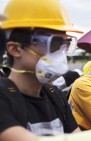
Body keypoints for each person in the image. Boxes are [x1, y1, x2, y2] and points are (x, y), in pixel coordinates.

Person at [0, 0, 82, 140]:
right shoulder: (4, 99)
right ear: (15, 49)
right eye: (52, 43)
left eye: (64, 44)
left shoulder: (55, 95)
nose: (59, 53)